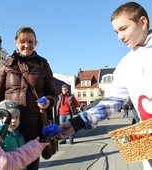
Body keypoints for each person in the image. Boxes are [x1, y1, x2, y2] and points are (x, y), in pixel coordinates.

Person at [58, 2, 152, 169]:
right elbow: (112, 101)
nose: (119, 37)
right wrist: (77, 123)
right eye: (116, 32)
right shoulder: (126, 64)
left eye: (123, 29)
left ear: (142, 22)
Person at [0, 26, 58, 170]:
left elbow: (54, 93)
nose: (27, 45)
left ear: (36, 43)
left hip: (33, 127)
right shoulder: (7, 65)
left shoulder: (43, 65)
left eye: (31, 42)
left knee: (31, 164)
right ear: (16, 42)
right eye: (23, 41)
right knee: (9, 164)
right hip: (9, 127)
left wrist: (48, 101)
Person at [0, 74, 49, 170]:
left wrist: (49, 100)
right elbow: (0, 164)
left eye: (17, 117)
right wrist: (34, 148)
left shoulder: (19, 135)